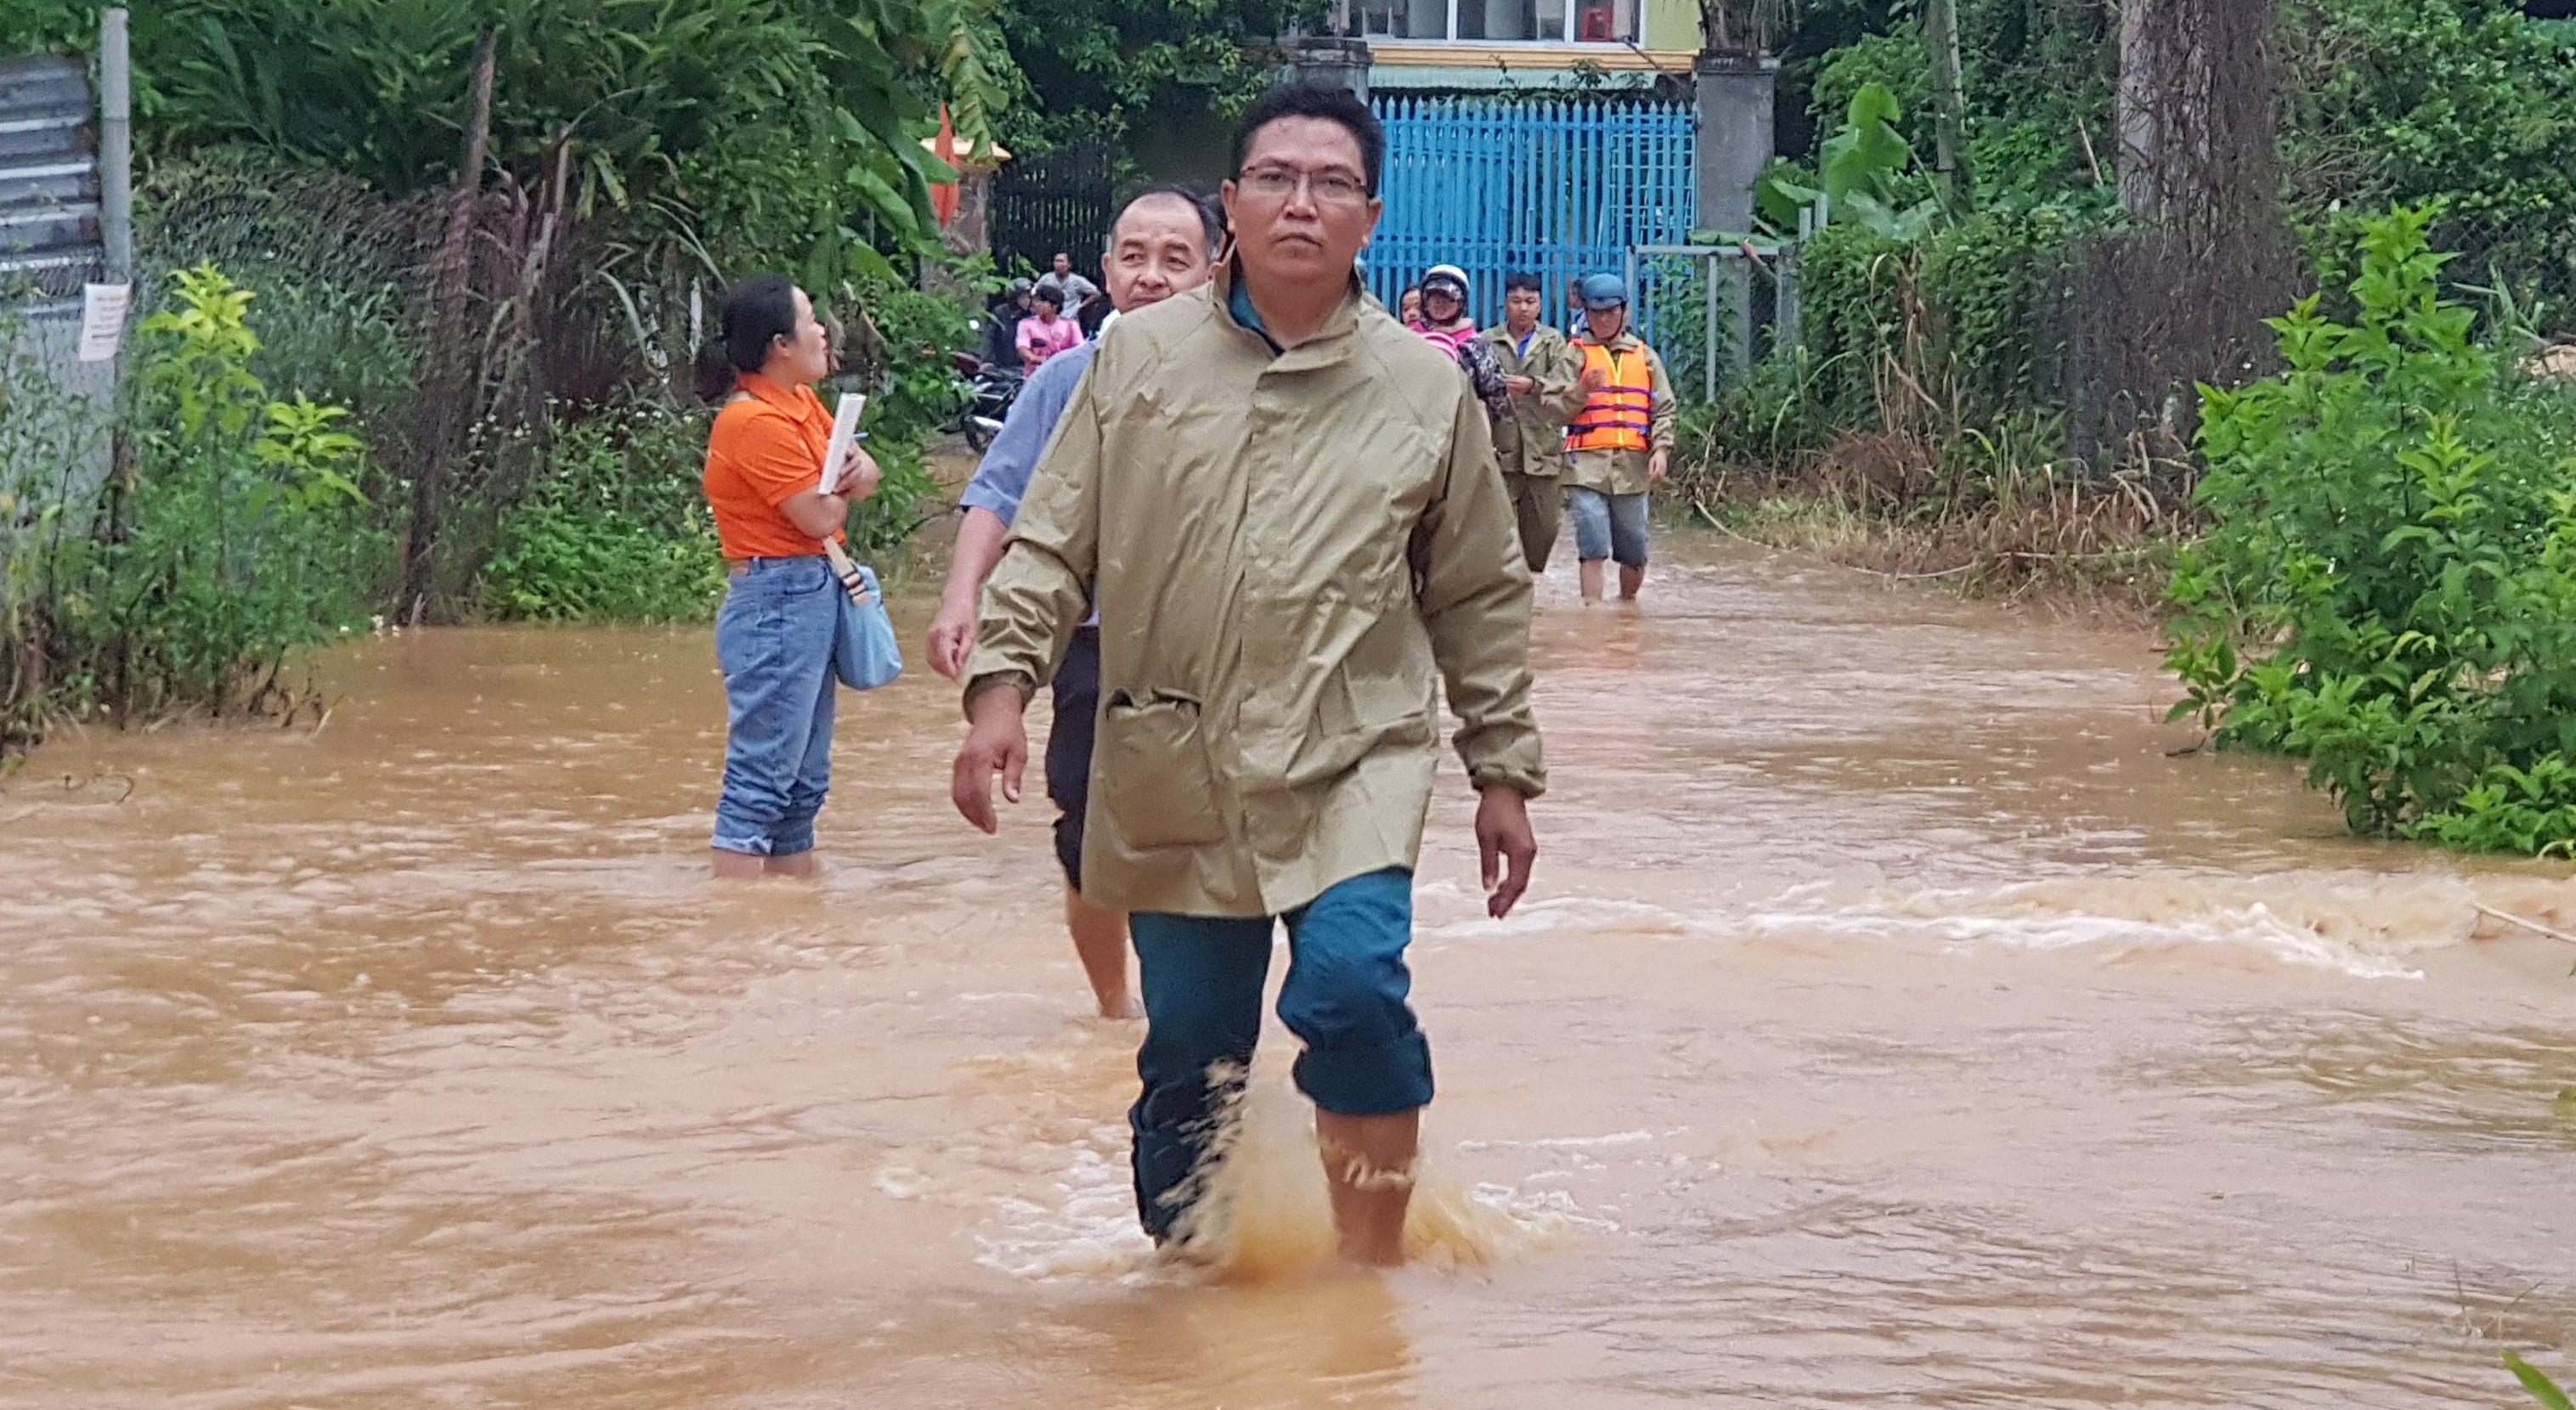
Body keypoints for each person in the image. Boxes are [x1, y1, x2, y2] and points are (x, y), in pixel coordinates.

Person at [950, 84, 1545, 1266]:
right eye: (1274, 178)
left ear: (1370, 216)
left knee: (1356, 993)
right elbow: (1054, 542)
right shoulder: (1136, 363)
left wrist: (1502, 772)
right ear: (1232, 202)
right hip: (1174, 752)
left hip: (1354, 752)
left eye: (1331, 184)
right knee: (1191, 1050)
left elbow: (1478, 591)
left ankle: (1367, 1286)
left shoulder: (1424, 388)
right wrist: (998, 693)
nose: (1300, 204)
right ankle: (1187, 1296)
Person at [926, 183, 1225, 1021]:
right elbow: (997, 495)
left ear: (1213, 271)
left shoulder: (1251, 379)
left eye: (1175, 259)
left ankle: (1191, 1016)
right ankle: (1114, 1012)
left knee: (1204, 839)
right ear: (1105, 271)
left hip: (1213, 647)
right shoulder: (1064, 378)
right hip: (1093, 647)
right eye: (1134, 257)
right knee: (1088, 834)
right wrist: (960, 599)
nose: (1151, 276)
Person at [693, 276, 884, 877]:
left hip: (808, 591)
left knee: (802, 786)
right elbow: (819, 515)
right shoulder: (752, 421)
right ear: (781, 345)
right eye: (811, 322)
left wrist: (849, 478)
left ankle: (789, 917)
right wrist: (846, 483)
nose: (824, 332)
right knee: (761, 782)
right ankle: (734, 918)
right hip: (776, 598)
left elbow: (867, 473)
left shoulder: (798, 401)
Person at [1563, 273, 1675, 604]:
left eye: (1611, 312)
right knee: (1593, 546)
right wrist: (1581, 391)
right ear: (1586, 313)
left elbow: (1664, 408)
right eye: (1596, 313)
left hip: (1632, 467)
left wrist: (1661, 449)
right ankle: (1593, 616)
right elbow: (1553, 406)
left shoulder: (1645, 356)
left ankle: (1627, 612)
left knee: (1634, 552)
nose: (1604, 319)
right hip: (1585, 466)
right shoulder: (1573, 355)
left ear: (1624, 311)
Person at [1478, 270, 1586, 573]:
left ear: (1539, 305)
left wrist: (1534, 386)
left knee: (1544, 530)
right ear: (1505, 303)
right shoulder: (1487, 341)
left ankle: (1531, 584)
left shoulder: (1554, 342)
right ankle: (1508, 587)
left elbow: (1565, 384)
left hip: (1543, 450)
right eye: (1516, 301)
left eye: (1530, 301)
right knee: (1499, 536)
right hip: (1501, 450)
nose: (1523, 308)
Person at [1410, 262, 1511, 420]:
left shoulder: (1476, 347)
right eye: (1434, 298)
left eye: (1448, 298)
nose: (1440, 304)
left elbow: (1496, 398)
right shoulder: (1409, 338)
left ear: (1461, 303)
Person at [1015, 286, 1082, 370]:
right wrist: (1034, 358)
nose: (1037, 304)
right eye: (1036, 301)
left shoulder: (1071, 325)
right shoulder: (1026, 324)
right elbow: (1022, 348)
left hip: (1064, 371)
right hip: (1035, 373)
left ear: (1055, 305)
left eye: (1042, 302)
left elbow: (1080, 349)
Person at [984, 279, 1033, 371]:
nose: (1027, 301)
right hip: (1000, 365)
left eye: (1029, 297)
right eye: (1023, 297)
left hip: (1022, 367)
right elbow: (989, 337)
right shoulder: (1000, 312)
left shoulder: (1031, 316)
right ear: (1014, 298)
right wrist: (987, 360)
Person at [1036, 251, 1101, 313]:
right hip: (1050, 317)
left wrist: (1080, 306)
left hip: (1070, 317)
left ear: (1069, 264)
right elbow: (1034, 292)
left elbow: (1096, 293)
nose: (1058, 264)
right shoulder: (1046, 278)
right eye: (1056, 261)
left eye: (1061, 261)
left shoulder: (1077, 280)